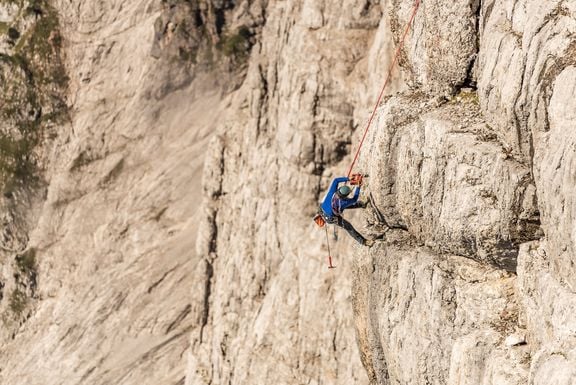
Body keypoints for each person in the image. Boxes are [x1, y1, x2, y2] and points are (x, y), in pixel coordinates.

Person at [319, 176, 374, 246]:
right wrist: (358, 187)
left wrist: (349, 178)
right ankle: (364, 242)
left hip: (322, 209)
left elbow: (336, 180)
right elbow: (354, 199)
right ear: (345, 196)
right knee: (349, 227)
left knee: (341, 207)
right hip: (331, 218)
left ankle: (362, 204)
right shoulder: (344, 202)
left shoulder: (332, 192)